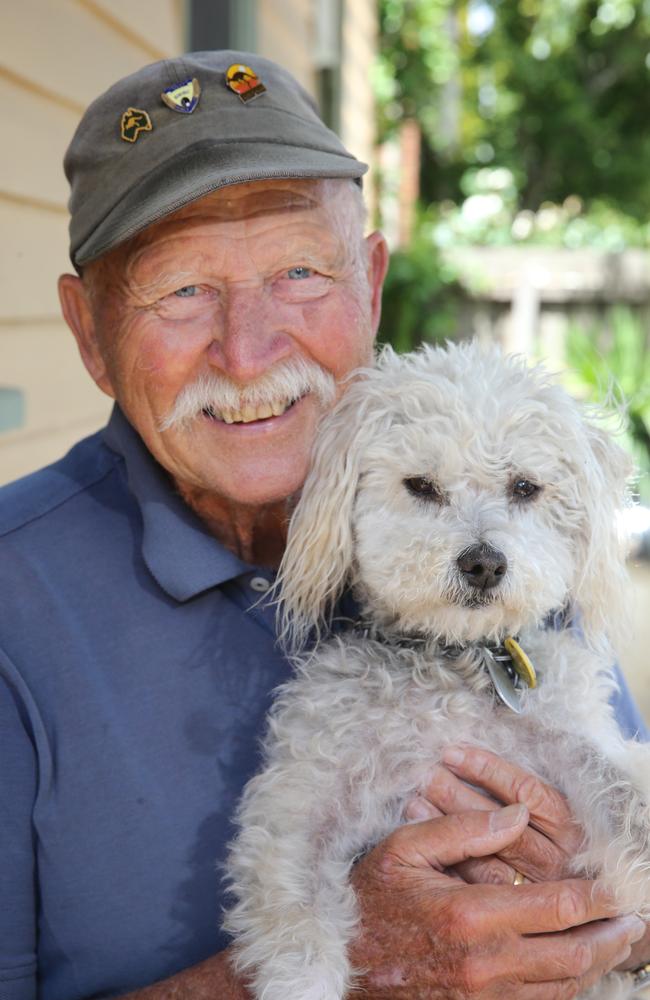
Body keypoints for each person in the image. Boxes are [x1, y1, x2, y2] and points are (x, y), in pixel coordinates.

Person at [0, 50, 648, 1000]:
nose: (248, 349)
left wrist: (606, 933)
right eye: (181, 289)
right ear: (90, 333)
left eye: (300, 271)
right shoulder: (16, 603)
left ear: (372, 284)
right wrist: (357, 968)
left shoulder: (520, 539)